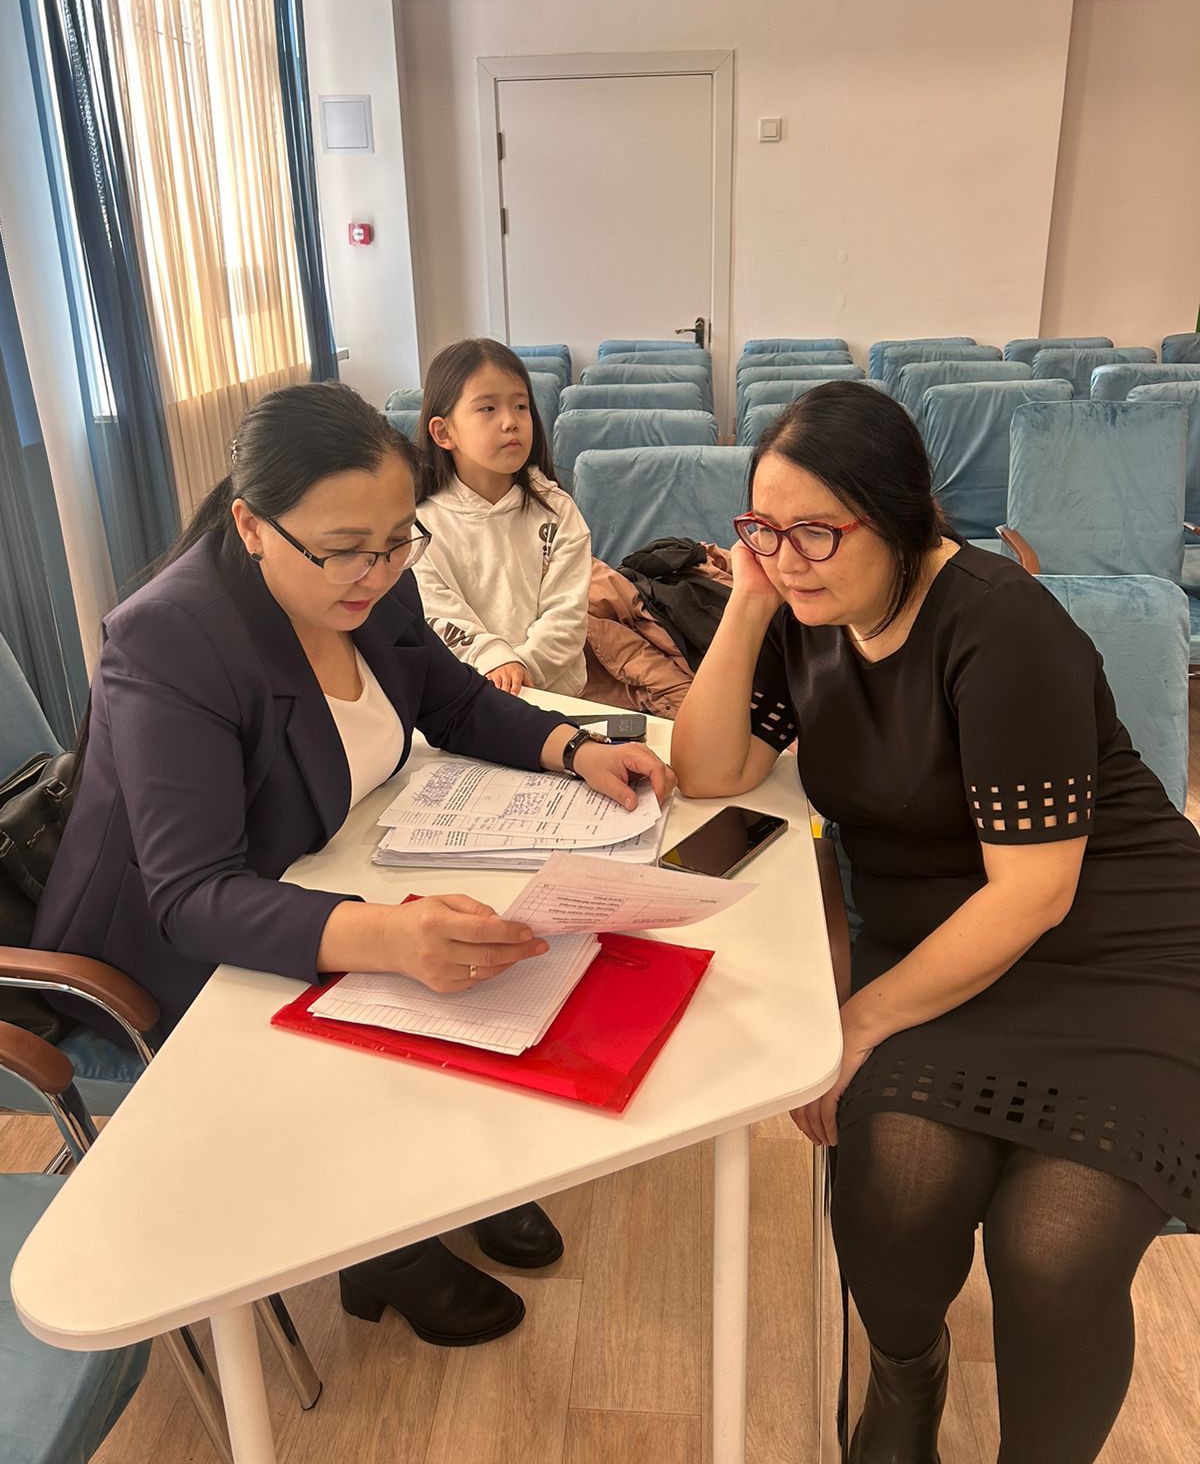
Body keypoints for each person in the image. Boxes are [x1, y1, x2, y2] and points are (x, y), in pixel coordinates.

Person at [35, 380, 673, 1349]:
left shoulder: (373, 572)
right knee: (423, 964)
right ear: (252, 526)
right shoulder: (172, 638)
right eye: (343, 550)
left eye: (395, 542)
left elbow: (453, 699)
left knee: (487, 950)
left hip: (317, 858)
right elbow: (191, 894)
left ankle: (448, 1174)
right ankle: (380, 1244)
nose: (374, 572)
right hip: (161, 956)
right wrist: (386, 935)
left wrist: (572, 749)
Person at [671, 382, 1200, 1464]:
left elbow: (1033, 892)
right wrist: (749, 603)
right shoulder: (809, 614)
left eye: (817, 531)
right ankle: (905, 1384)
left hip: (1119, 949)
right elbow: (709, 770)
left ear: (903, 516)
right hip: (934, 946)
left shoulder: (1001, 627)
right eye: (764, 528)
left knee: (1052, 1248)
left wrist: (856, 1021)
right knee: (896, 1184)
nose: (789, 557)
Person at [412, 339, 591, 697]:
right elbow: (437, 613)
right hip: (467, 693)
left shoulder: (556, 508)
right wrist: (493, 660)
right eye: (488, 408)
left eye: (521, 406)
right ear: (444, 432)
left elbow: (567, 612)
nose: (511, 422)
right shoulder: (419, 524)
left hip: (554, 693)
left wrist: (523, 667)